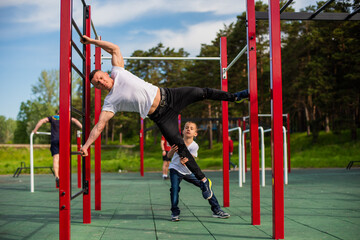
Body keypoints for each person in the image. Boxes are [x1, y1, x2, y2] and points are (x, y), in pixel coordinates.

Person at [79, 35, 249, 200]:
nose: (101, 82)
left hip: (170, 95)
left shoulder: (118, 71)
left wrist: (92, 42)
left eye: (101, 77)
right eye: (97, 83)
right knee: (179, 147)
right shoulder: (110, 102)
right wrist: (86, 145)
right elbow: (99, 126)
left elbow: (114, 48)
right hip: (161, 117)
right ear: (97, 88)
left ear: (106, 74)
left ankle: (234, 97)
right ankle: (204, 181)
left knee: (201, 92)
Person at [168, 121, 230, 221]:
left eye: (191, 128)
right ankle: (175, 213)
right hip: (175, 169)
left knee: (205, 186)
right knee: (174, 189)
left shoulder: (194, 146)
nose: (188, 129)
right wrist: (172, 150)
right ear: (183, 131)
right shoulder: (178, 142)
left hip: (188, 171)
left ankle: (217, 210)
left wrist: (185, 161)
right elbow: (168, 156)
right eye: (186, 127)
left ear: (195, 134)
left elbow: (191, 160)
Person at [32, 110, 82, 187]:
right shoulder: (67, 117)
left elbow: (41, 120)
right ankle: (65, 177)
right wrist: (83, 128)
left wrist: (35, 130)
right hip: (64, 140)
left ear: (57, 113)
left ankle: (57, 176)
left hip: (54, 140)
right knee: (65, 158)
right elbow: (75, 120)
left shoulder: (53, 117)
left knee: (56, 158)